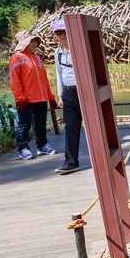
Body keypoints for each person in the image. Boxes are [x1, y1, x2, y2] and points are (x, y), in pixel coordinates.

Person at [9, 31, 57, 160]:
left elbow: (44, 80)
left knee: (40, 123)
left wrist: (51, 97)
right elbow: (15, 80)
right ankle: (23, 148)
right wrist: (20, 98)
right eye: (32, 41)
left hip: (41, 97)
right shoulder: (17, 57)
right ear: (24, 43)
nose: (35, 43)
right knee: (24, 125)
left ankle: (42, 146)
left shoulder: (36, 58)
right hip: (26, 98)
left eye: (35, 41)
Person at [51, 20, 82, 174]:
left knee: (94, 127)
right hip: (69, 92)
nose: (62, 35)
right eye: (58, 33)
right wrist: (61, 94)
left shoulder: (79, 48)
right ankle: (71, 162)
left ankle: (103, 157)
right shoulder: (57, 53)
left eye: (64, 31)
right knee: (70, 127)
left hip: (84, 91)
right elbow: (59, 74)